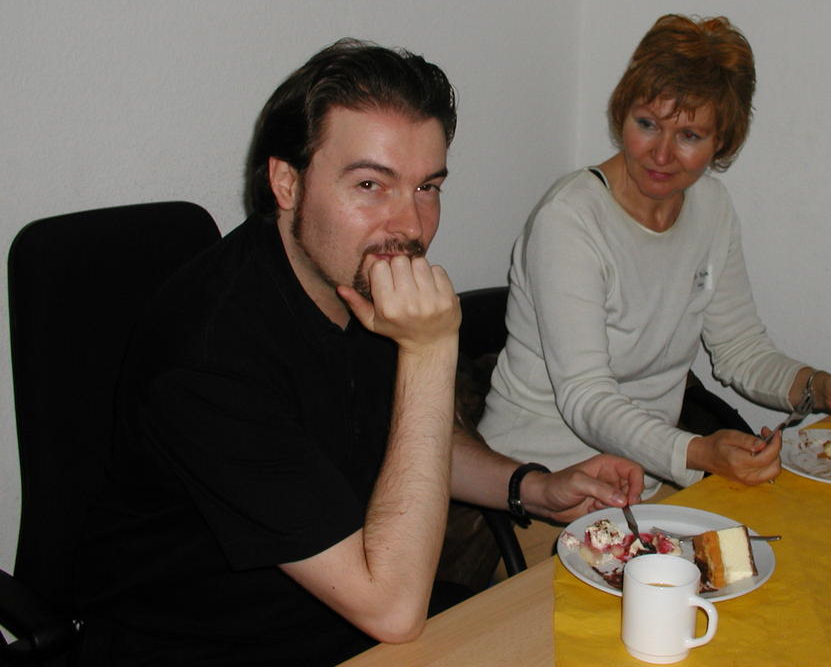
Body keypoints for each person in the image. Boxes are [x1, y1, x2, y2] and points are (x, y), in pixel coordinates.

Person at [73, 39, 644, 666]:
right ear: (287, 182)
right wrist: (429, 353)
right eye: (370, 184)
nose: (409, 227)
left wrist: (530, 488)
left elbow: (411, 435)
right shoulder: (212, 358)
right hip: (209, 644)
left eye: (426, 187)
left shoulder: (351, 279)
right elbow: (393, 610)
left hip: (344, 612)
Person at [477, 14, 831, 501]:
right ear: (622, 115)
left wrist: (819, 389)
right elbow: (585, 397)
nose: (661, 154)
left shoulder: (711, 208)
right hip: (543, 486)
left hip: (645, 481)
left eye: (689, 136)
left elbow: (739, 349)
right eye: (647, 124)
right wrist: (696, 452)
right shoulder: (569, 221)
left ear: (723, 142)